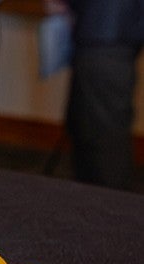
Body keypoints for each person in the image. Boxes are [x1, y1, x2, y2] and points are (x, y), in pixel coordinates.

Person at [65, 0, 144, 190]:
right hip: (113, 46)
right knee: (94, 140)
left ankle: (109, 212)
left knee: (102, 151)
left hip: (103, 45)